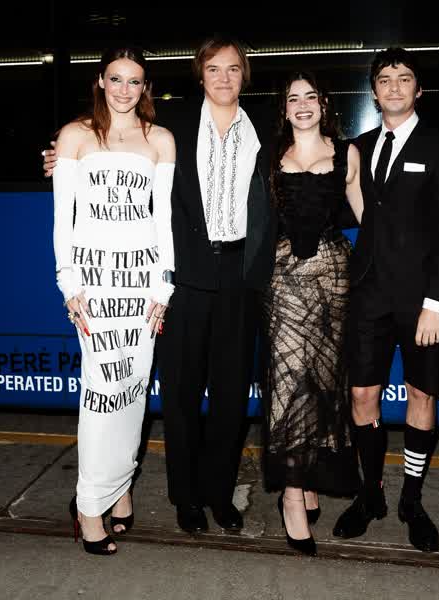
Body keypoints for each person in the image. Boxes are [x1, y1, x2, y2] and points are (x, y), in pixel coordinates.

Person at [44, 36, 273, 536]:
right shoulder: (174, 125)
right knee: (179, 393)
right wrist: (58, 157)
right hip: (183, 275)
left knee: (231, 395)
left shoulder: (265, 127)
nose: (224, 78)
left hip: (239, 275)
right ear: (200, 75)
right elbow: (106, 143)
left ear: (245, 75)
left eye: (233, 69)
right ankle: (185, 498)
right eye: (214, 69)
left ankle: (219, 495)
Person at [332, 47, 439, 552]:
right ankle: (370, 493)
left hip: (422, 303)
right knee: (361, 397)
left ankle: (412, 500)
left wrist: (437, 303)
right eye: (385, 79)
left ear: (418, 89)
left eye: (404, 78)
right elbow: (340, 204)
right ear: (374, 92)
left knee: (422, 396)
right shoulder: (359, 147)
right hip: (368, 295)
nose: (394, 86)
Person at [52, 46, 176, 555]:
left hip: (141, 284)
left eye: (135, 81)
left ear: (145, 87)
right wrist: (69, 284)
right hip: (95, 284)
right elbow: (64, 220)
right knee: (101, 392)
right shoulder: (75, 136)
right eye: (116, 79)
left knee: (132, 390)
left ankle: (119, 489)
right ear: (100, 81)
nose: (125, 90)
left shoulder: (160, 139)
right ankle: (88, 508)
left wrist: (163, 285)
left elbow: (162, 222)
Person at [261, 71, 363, 556]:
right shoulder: (268, 156)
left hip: (333, 279)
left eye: (310, 97)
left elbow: (368, 217)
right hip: (283, 281)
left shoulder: (347, 154)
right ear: (284, 108)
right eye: (292, 98)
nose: (302, 105)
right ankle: (291, 493)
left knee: (324, 383)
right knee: (289, 383)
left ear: (324, 104)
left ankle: (310, 475)